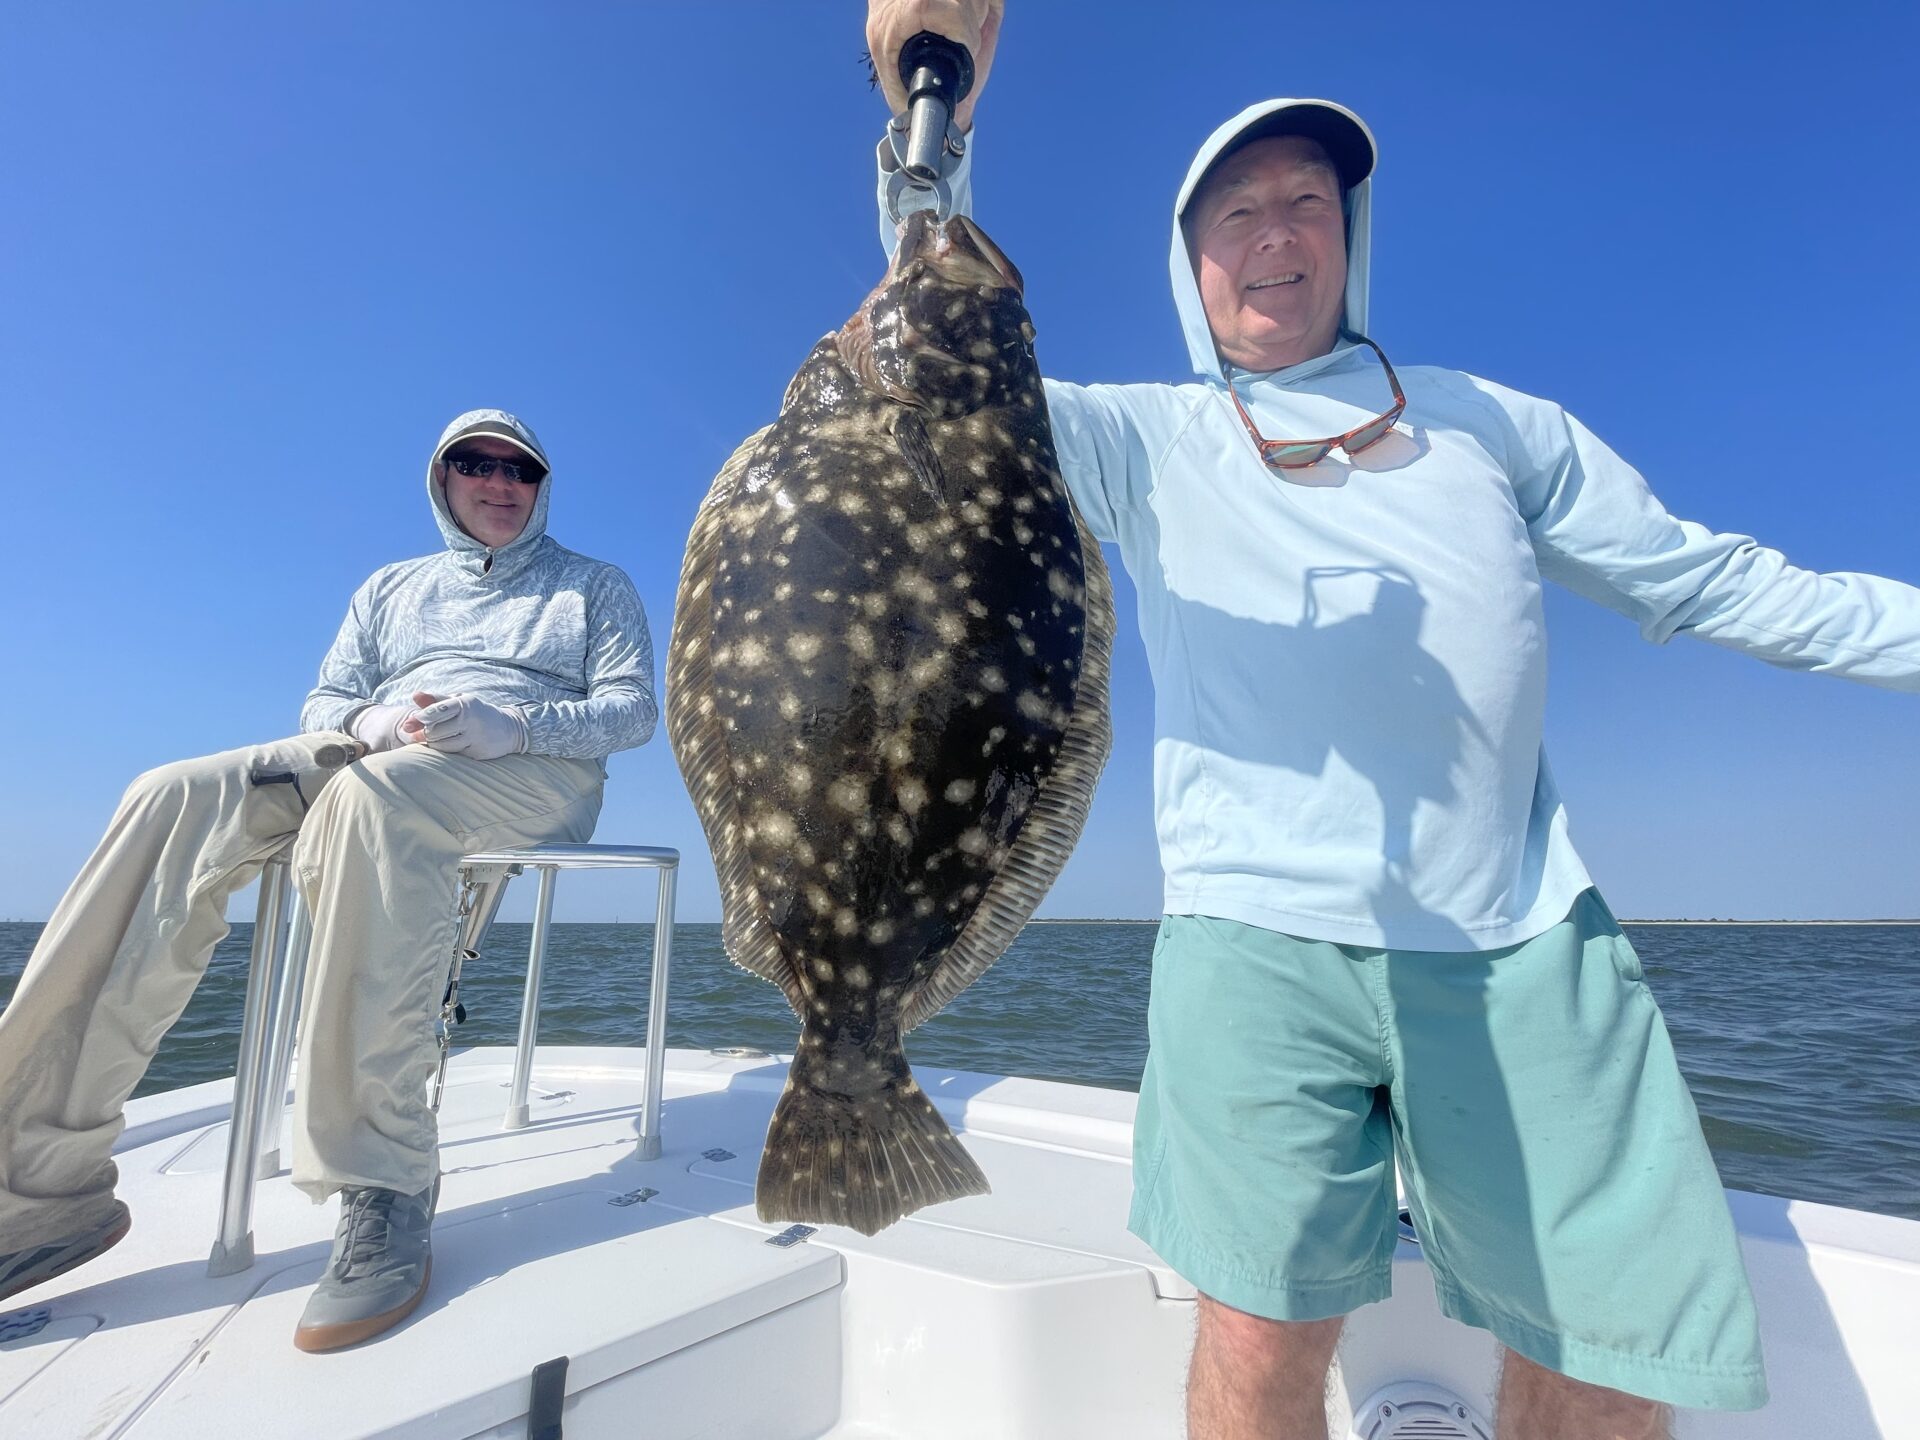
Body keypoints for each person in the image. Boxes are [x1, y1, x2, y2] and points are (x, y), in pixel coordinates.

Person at [862, 5, 1920, 1437]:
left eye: (1307, 199)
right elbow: (940, 359)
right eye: (1237, 211)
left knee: (1610, 1346)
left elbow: (1709, 579)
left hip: (1517, 933)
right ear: (1191, 261)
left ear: (1353, 234)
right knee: (1258, 1333)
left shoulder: (1494, 421)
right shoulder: (1141, 439)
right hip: (1249, 935)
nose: (1276, 232)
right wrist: (939, 119)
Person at [0, 408, 657, 1353]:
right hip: (384, 750)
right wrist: (379, 722)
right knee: (171, 795)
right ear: (443, 480)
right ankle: (33, 1184)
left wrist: (518, 725)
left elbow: (630, 709)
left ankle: (383, 1181)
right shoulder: (388, 588)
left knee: (373, 807)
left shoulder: (595, 586)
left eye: (522, 470)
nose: (500, 483)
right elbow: (326, 700)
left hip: (534, 767)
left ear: (544, 485)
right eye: (477, 465)